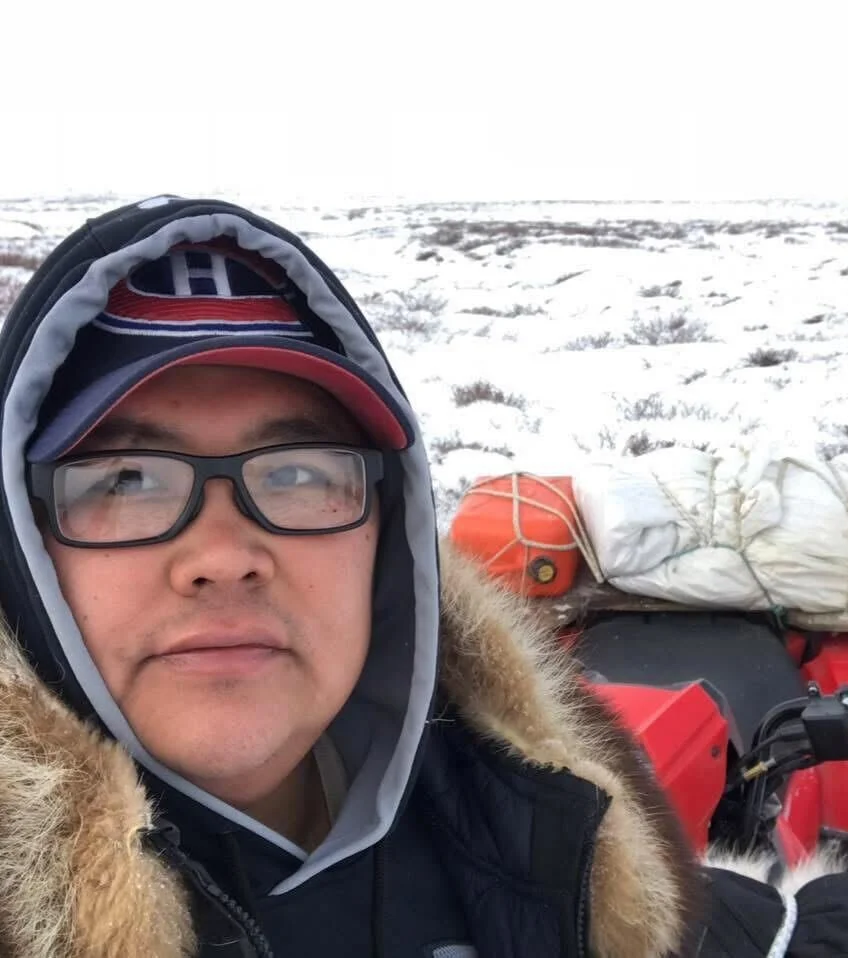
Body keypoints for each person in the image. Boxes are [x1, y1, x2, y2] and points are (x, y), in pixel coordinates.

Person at [0, 197, 701, 958]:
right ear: (24, 544)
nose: (224, 556)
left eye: (297, 472)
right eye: (128, 480)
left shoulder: (560, 819)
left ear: (384, 531)